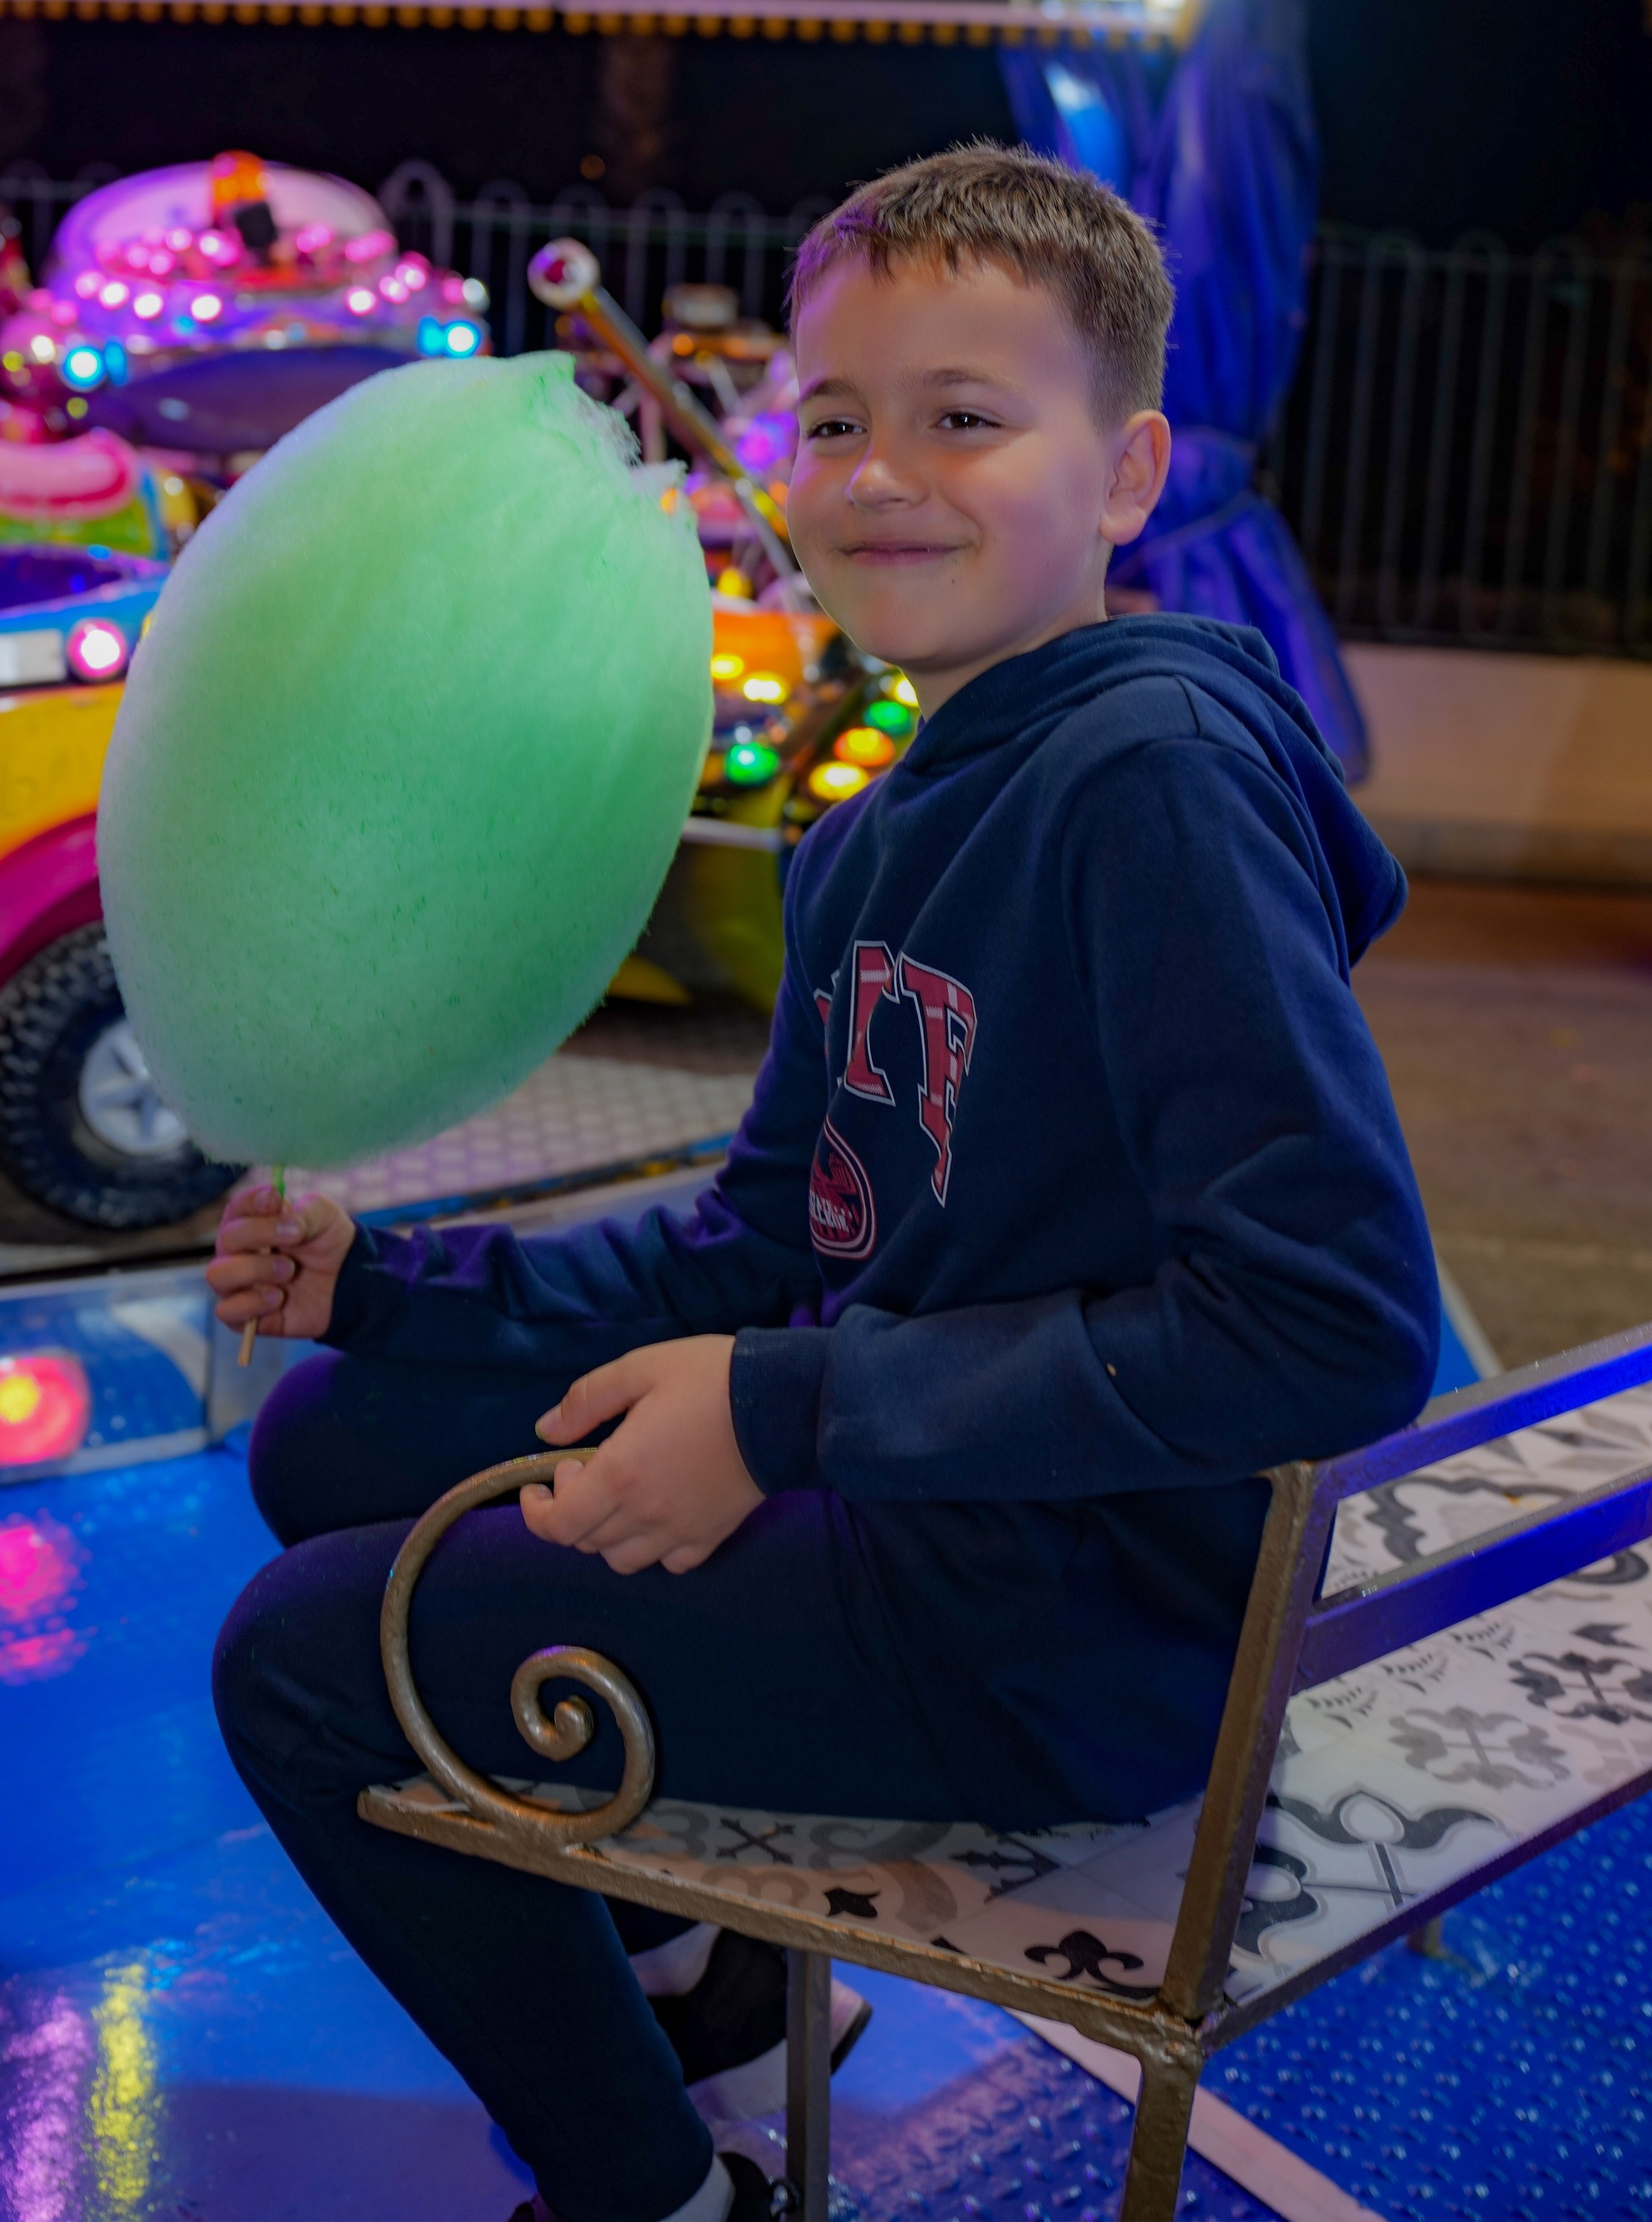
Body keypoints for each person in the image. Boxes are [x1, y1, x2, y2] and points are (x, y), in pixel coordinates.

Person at [208, 143, 1438, 2222]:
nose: (883, 474)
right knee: (341, 1436)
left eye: (967, 418)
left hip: (1072, 1616)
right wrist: (389, 1288)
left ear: (1128, 471)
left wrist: (781, 1416)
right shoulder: (886, 825)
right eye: (837, 419)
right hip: (926, 1503)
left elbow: (1325, 1317)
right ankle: (703, 2000)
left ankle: (654, 2197)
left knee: (306, 1662)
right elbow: (765, 1240)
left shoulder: (1151, 782)